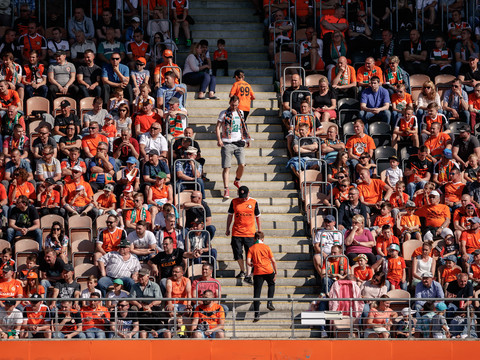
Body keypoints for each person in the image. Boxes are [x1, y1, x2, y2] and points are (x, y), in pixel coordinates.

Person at [216, 96, 251, 199]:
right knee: (227, 167)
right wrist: (219, 139)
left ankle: (237, 180)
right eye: (232, 105)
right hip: (227, 142)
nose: (234, 107)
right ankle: (226, 188)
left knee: (242, 164)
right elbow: (217, 127)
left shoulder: (240, 113)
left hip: (239, 142)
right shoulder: (224, 113)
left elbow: (243, 126)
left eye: (236, 105)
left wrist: (247, 139)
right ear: (229, 103)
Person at [226, 186, 261, 284]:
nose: (243, 198)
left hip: (250, 233)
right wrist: (227, 228)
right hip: (236, 232)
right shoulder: (234, 202)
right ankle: (242, 270)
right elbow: (230, 215)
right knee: (237, 253)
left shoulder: (253, 202)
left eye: (245, 196)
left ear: (248, 193)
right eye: (241, 196)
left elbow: (258, 217)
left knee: (249, 254)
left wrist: (259, 230)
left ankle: (248, 275)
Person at [246, 231, 277, 322]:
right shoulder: (267, 247)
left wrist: (252, 265)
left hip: (258, 272)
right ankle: (269, 302)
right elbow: (273, 261)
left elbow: (248, 262)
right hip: (268, 270)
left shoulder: (251, 248)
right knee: (271, 284)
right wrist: (276, 272)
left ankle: (256, 314)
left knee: (257, 293)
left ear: (254, 239)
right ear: (263, 239)